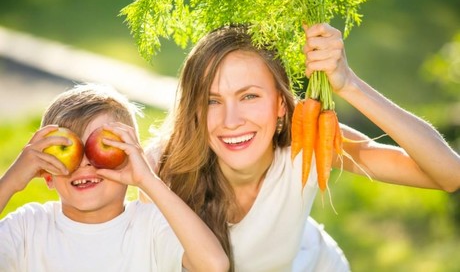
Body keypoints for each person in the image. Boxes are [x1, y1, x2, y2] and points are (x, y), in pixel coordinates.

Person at [143, 23, 460, 271]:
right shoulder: (161, 171)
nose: (231, 120)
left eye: (249, 96)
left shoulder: (307, 141)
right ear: (195, 109)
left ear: (281, 103)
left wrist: (349, 83)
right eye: (213, 100)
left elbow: (449, 174)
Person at [0, 84, 229, 272]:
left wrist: (147, 179)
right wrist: (11, 181)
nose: (85, 163)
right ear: (46, 174)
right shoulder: (28, 228)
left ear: (130, 159)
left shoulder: (149, 226)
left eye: (103, 146)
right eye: (67, 148)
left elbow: (214, 265)